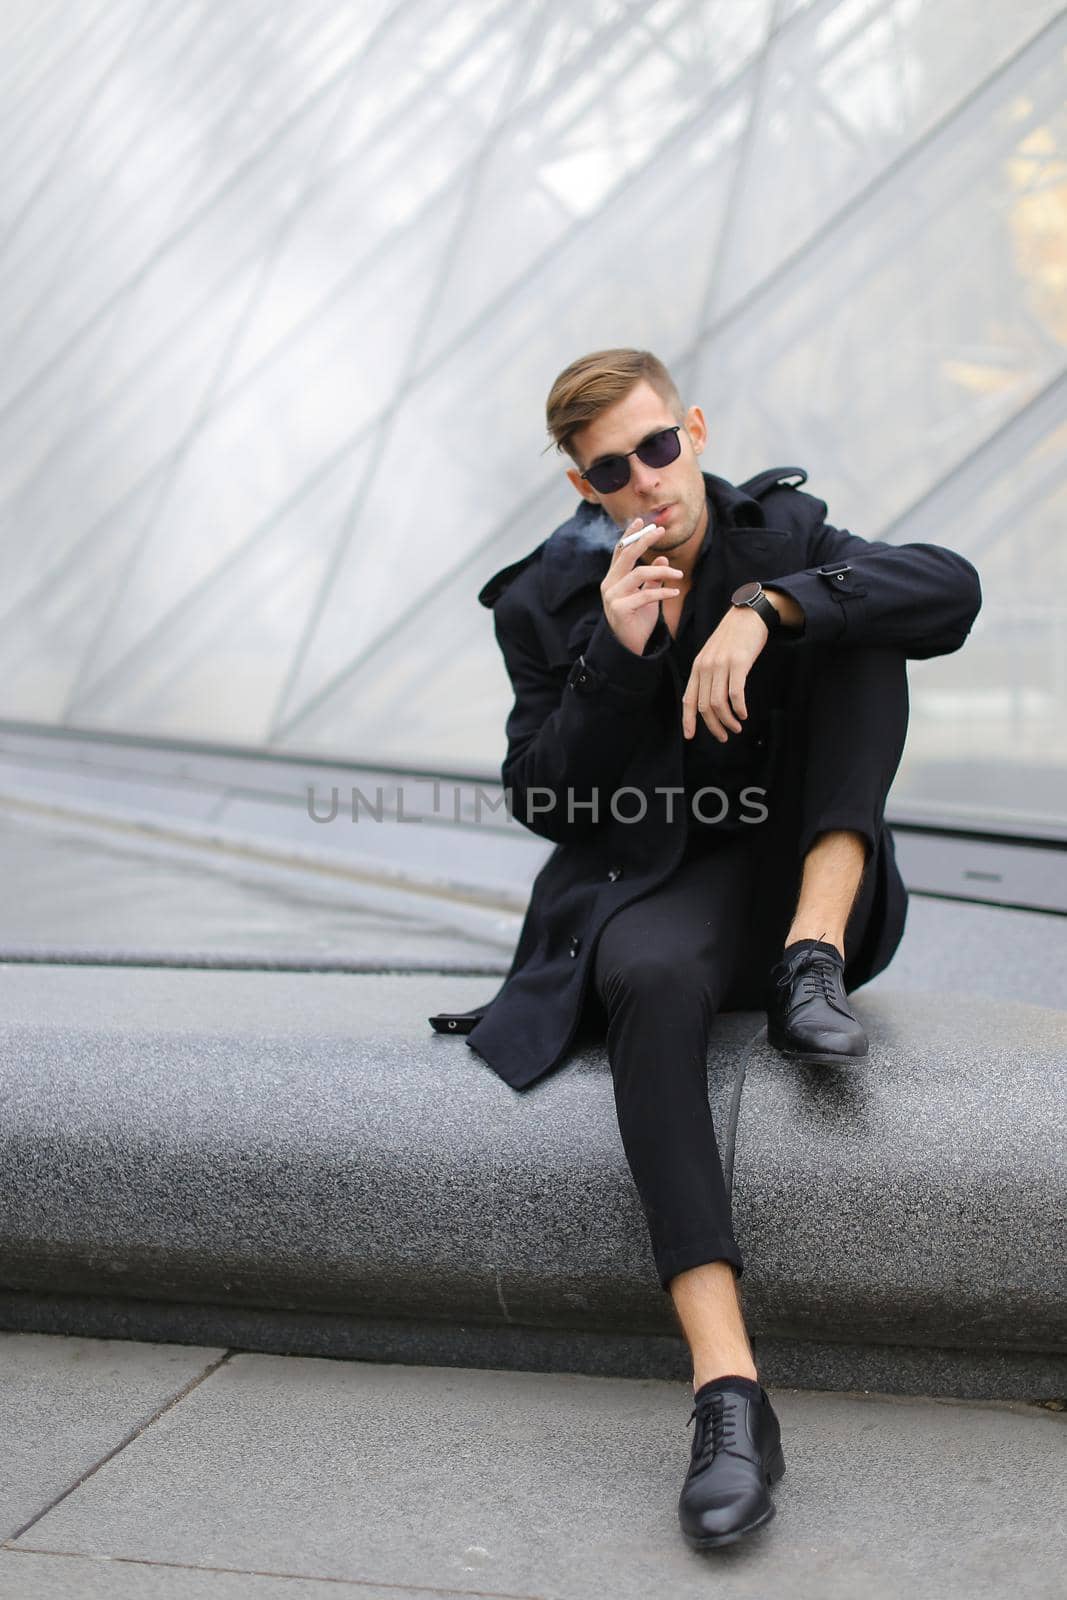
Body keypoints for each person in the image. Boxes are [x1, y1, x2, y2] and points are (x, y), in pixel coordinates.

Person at [429, 347, 982, 1551]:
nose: (645, 482)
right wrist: (613, 666)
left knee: (860, 616)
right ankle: (728, 1396)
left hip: (803, 885)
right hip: (664, 882)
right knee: (643, 976)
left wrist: (764, 607)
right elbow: (545, 800)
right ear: (585, 487)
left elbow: (950, 589)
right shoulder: (546, 605)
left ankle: (810, 964)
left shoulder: (778, 532)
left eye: (658, 447)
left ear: (692, 427)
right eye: (611, 470)